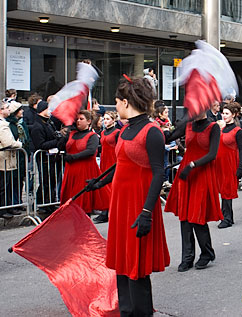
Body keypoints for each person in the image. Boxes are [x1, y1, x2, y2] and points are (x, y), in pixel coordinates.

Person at [86, 76, 169, 316]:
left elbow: (158, 173)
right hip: (121, 204)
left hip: (138, 204)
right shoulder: (125, 130)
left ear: (125, 102)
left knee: (137, 268)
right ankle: (126, 312)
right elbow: (120, 165)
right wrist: (99, 182)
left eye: (116, 102)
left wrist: (146, 213)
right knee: (122, 264)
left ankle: (142, 313)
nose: (114, 107)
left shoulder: (152, 132)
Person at [164, 109, 222, 272]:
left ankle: (206, 252)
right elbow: (169, 137)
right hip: (186, 173)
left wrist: (192, 165)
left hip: (201, 172)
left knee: (197, 215)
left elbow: (212, 154)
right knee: (185, 216)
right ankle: (187, 257)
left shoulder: (213, 127)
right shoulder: (188, 125)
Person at [59, 110, 110, 214]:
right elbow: (61, 146)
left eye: (81, 119)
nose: (78, 121)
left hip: (84, 170)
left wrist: (73, 157)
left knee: (82, 200)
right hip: (71, 170)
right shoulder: (71, 133)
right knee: (71, 201)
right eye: (77, 119)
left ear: (89, 121)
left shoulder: (92, 136)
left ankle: (84, 227)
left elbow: (91, 151)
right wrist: (64, 135)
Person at [216, 102, 242, 229]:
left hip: (230, 164)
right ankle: (229, 217)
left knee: (227, 192)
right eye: (223, 113)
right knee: (223, 191)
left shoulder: (237, 131)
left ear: (233, 115)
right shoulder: (222, 129)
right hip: (220, 164)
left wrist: (241, 167)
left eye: (227, 113)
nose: (224, 115)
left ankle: (226, 218)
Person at [30, 101, 63, 214]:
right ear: (42, 110)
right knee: (46, 181)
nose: (50, 111)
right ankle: (41, 203)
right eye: (48, 109)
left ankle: (49, 202)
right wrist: (56, 141)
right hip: (44, 158)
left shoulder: (48, 123)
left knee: (52, 181)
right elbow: (40, 145)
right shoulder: (37, 126)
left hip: (53, 157)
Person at [0, 101, 23, 218]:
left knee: (2, 185)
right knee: (3, 186)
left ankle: (5, 208)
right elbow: (8, 142)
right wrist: (19, 144)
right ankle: (2, 209)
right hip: (3, 159)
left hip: (0, 159)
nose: (9, 110)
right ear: (0, 110)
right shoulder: (1, 124)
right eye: (6, 108)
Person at [93, 111, 120, 224]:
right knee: (105, 185)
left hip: (113, 160)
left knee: (112, 186)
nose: (105, 121)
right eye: (104, 119)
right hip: (104, 160)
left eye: (108, 119)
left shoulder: (117, 132)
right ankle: (106, 210)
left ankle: (109, 212)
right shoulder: (103, 133)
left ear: (113, 120)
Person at [6, 101, 31, 206]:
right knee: (13, 181)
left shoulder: (22, 123)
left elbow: (27, 138)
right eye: (20, 110)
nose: (22, 111)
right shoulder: (10, 124)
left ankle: (19, 201)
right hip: (14, 155)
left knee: (20, 180)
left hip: (22, 155)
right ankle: (13, 202)